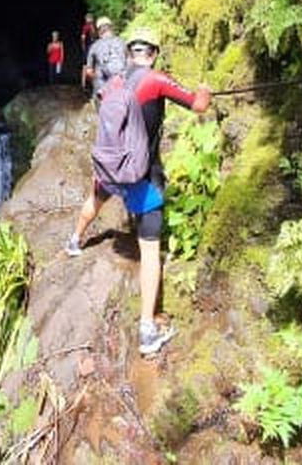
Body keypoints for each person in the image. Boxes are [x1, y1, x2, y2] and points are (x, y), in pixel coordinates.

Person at [65, 28, 212, 356]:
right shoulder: (156, 79)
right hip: (142, 174)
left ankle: (74, 241)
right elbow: (198, 105)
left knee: (95, 199)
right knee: (150, 250)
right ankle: (147, 330)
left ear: (129, 53)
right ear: (154, 53)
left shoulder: (115, 83)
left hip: (111, 166)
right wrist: (205, 89)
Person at [81, 16, 127, 104]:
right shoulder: (122, 42)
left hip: (102, 90)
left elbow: (89, 71)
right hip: (122, 88)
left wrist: (95, 77)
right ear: (111, 28)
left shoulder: (94, 46)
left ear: (99, 31)